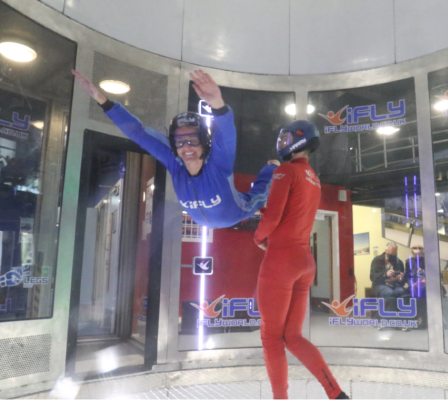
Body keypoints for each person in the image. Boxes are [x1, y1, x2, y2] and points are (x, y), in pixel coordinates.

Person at [72, 69, 278, 229]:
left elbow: (226, 134)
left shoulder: (218, 163)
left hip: (237, 212)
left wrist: (218, 105)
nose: (186, 147)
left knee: (260, 195)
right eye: (180, 142)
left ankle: (272, 167)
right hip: (204, 221)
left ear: (205, 143)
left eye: (192, 140)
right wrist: (104, 102)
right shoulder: (175, 164)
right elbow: (138, 132)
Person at [254, 120, 349, 400]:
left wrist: (257, 237)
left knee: (272, 338)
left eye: (286, 137)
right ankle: (336, 393)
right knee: (293, 336)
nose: (282, 142)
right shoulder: (313, 177)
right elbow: (290, 214)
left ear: (298, 140)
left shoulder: (286, 171)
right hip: (305, 261)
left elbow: (273, 217)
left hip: (281, 262)